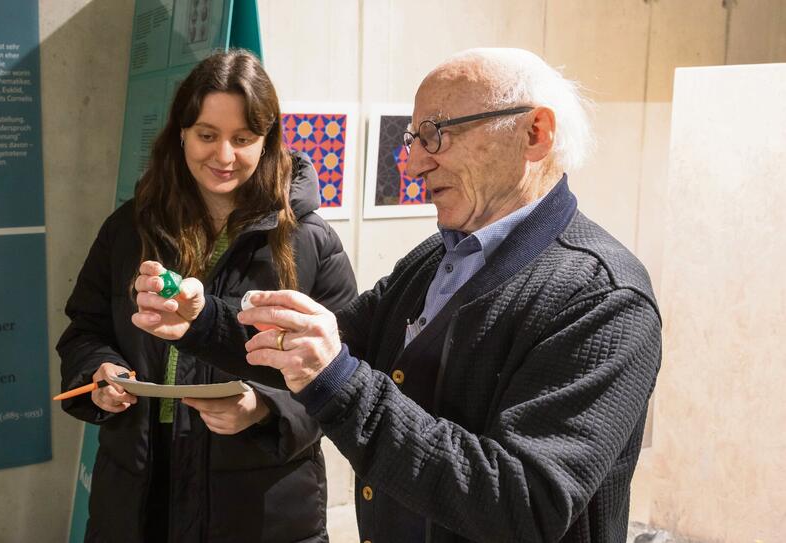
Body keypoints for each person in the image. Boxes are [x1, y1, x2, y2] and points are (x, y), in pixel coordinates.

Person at [133, 48, 662, 542]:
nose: (413, 165)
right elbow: (333, 345)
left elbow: (525, 502)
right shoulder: (437, 258)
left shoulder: (604, 299)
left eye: (436, 134)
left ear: (534, 133)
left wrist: (339, 382)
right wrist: (203, 322)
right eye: (413, 139)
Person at [56, 49, 357, 543]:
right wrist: (99, 373)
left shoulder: (311, 241)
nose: (223, 157)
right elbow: (86, 329)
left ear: (268, 140)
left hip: (261, 504)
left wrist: (263, 409)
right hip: (137, 491)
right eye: (207, 135)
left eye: (243, 139)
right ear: (180, 133)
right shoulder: (129, 229)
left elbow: (346, 373)